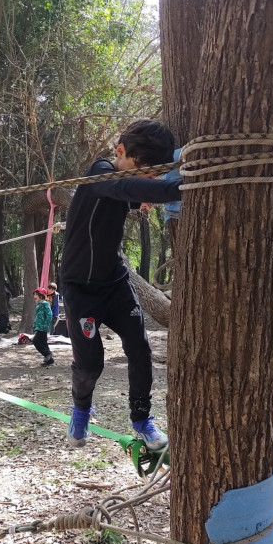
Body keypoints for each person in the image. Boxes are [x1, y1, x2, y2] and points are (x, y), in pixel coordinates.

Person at [60, 119, 182, 449]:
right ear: (120, 151)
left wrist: (140, 199)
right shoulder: (100, 172)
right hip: (79, 290)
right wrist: (176, 188)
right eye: (143, 169)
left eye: (154, 175)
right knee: (91, 363)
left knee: (140, 348)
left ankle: (142, 420)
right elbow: (122, 188)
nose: (147, 178)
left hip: (114, 283)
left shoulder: (121, 183)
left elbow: (127, 194)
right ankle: (81, 410)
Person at [32, 287, 54, 367]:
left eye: (36, 294)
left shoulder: (45, 303)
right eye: (34, 294)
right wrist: (34, 325)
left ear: (41, 295)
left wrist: (46, 324)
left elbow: (49, 315)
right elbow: (37, 316)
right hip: (39, 326)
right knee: (43, 343)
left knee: (36, 341)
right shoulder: (39, 304)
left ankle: (48, 354)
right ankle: (50, 360)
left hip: (43, 327)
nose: (34, 296)